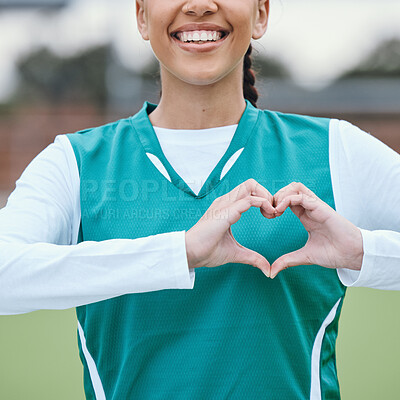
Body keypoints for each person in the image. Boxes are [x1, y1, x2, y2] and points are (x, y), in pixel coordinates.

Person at [0, 0, 399, 398]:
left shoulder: (333, 151)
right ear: (142, 15)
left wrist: (364, 252)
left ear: (260, 14)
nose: (199, 5)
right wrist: (180, 254)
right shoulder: (75, 162)